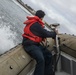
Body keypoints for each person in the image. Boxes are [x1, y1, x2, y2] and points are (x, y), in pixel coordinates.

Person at [22, 10, 57, 75]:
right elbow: (45, 33)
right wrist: (54, 33)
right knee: (41, 60)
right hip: (29, 45)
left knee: (48, 54)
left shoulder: (36, 23)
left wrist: (53, 33)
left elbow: (43, 32)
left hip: (35, 44)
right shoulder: (36, 25)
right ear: (41, 18)